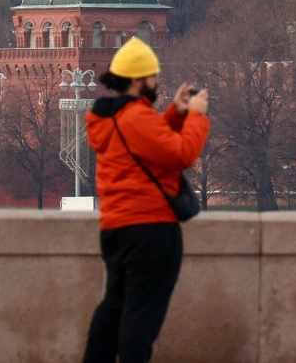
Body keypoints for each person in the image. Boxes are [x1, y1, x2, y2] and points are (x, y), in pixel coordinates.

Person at [81, 38, 209, 363]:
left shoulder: (111, 119)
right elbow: (181, 154)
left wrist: (175, 114)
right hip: (151, 230)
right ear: (138, 80)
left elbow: (146, 145)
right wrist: (196, 117)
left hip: (115, 229)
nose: (157, 82)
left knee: (113, 307)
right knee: (141, 317)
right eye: (153, 76)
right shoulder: (136, 116)